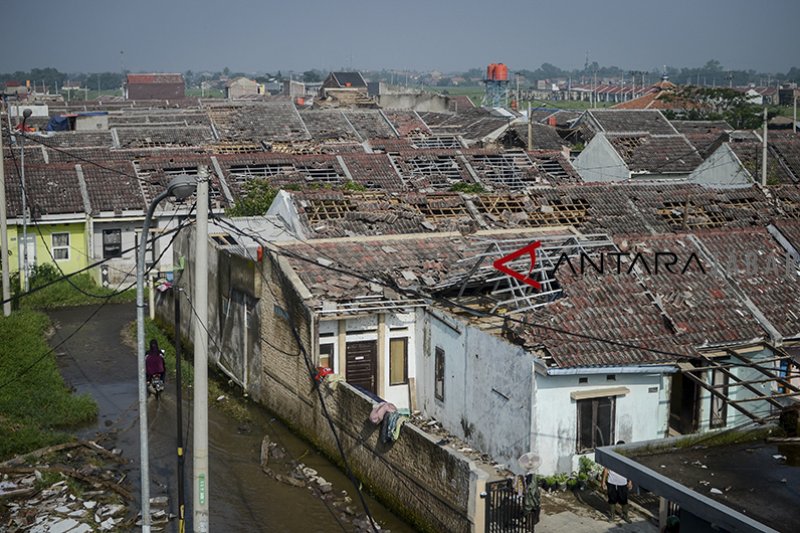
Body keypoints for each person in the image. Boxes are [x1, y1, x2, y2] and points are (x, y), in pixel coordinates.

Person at [601, 441, 632, 522]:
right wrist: (603, 481)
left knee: (624, 500)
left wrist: (630, 481)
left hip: (622, 482)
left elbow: (629, 470)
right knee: (612, 500)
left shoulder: (627, 458)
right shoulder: (611, 457)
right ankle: (612, 516)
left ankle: (625, 516)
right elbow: (606, 469)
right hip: (612, 482)